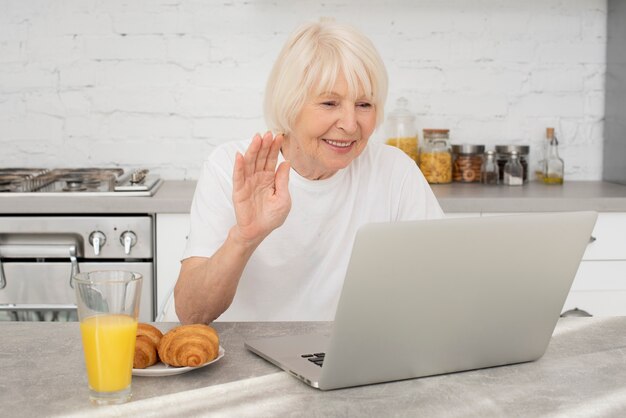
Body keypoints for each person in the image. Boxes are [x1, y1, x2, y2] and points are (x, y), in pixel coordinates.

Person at [172, 20, 443, 324]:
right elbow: (191, 314)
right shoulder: (230, 168)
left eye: (364, 104)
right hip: (240, 358)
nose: (351, 124)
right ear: (291, 104)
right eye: (329, 103)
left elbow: (441, 287)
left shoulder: (395, 172)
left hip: (342, 358)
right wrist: (245, 237)